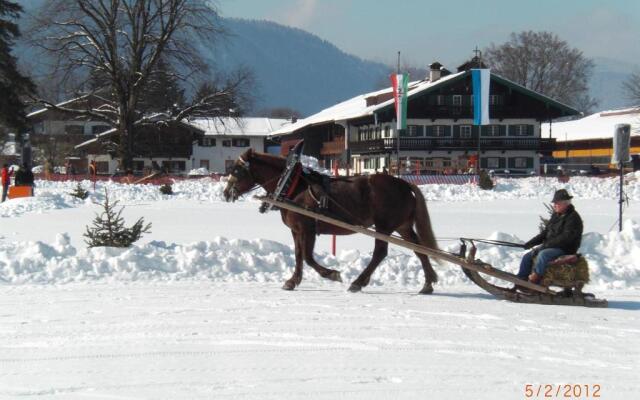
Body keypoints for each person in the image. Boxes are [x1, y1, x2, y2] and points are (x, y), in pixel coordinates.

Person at [517, 189, 583, 285]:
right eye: (554, 203)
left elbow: (565, 238)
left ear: (566, 203)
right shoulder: (556, 215)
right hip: (552, 246)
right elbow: (545, 233)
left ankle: (535, 281)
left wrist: (546, 245)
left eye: (557, 203)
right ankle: (521, 280)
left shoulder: (573, 218)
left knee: (543, 254)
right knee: (527, 256)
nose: (554, 205)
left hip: (565, 248)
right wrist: (530, 243)